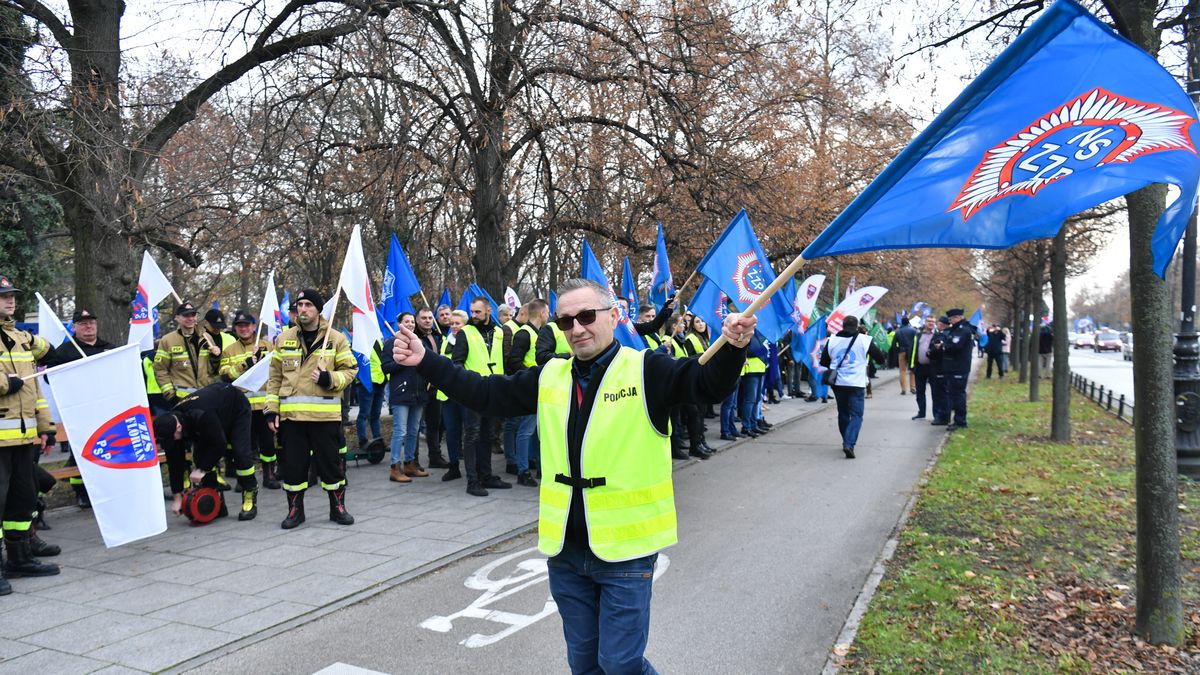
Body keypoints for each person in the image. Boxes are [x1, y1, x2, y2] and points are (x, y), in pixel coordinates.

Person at [391, 277, 754, 674]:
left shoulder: (646, 369)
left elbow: (705, 384)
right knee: (583, 665)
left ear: (613, 317)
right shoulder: (551, 375)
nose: (576, 328)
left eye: (586, 316)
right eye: (566, 321)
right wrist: (426, 360)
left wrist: (734, 347)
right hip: (565, 551)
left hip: (625, 553)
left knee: (620, 665)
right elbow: (484, 392)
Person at [265, 289, 359, 529]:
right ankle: (296, 511)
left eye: (308, 305)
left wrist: (329, 379)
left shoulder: (335, 338)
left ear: (318, 310)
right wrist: (271, 410)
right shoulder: (284, 338)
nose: (303, 309)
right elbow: (274, 378)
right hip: (291, 419)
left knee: (331, 466)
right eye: (300, 305)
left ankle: (338, 508)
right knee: (294, 467)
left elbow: (351, 370)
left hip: (325, 417)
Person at [0, 276, 60, 590]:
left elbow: (35, 390)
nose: (10, 300)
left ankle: (19, 559)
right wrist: (8, 383)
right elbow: (9, 383)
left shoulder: (21, 339)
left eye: (11, 295)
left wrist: (46, 427)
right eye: (3, 296)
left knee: (22, 502)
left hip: (24, 438)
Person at [153, 382, 261, 521]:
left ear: (178, 427)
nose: (172, 441)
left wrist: (202, 469)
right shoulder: (172, 424)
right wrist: (177, 497)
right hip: (214, 414)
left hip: (236, 408)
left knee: (240, 452)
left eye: (172, 438)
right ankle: (215, 501)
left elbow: (219, 444)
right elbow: (175, 463)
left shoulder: (200, 414)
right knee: (200, 457)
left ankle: (249, 493)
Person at [44, 308, 116, 508]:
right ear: (74, 327)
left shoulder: (109, 348)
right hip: (80, 411)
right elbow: (50, 377)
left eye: (91, 322)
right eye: (83, 323)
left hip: (106, 410)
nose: (88, 326)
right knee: (82, 452)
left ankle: (107, 489)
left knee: (106, 450)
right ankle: (81, 492)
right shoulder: (65, 351)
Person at [452, 298, 513, 496]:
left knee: (488, 434)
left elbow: (503, 360)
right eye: (472, 311)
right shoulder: (465, 332)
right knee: (472, 434)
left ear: (488, 311)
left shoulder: (498, 332)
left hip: (493, 389)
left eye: (478, 312)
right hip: (473, 391)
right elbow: (457, 363)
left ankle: (486, 475)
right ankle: (472, 480)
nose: (474, 315)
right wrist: (466, 385)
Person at [219, 310, 280, 489]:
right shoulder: (229, 351)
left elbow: (277, 371)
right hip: (241, 408)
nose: (244, 329)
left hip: (264, 405)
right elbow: (224, 375)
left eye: (247, 325)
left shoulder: (268, 346)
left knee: (268, 444)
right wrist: (245, 364)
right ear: (235, 329)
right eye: (240, 326)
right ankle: (244, 479)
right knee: (243, 446)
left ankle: (269, 476)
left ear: (254, 326)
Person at [820, 315, 884, 458]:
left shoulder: (832, 340)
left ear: (842, 326)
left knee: (843, 413)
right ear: (856, 326)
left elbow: (824, 362)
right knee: (857, 415)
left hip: (838, 383)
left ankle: (846, 440)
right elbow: (880, 358)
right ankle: (849, 443)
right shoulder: (864, 340)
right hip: (856, 383)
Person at [381, 312, 428, 483]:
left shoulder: (419, 342)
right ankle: (395, 466)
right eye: (406, 321)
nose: (410, 324)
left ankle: (410, 464)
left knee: (413, 431)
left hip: (418, 393)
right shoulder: (391, 343)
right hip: (401, 393)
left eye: (412, 322)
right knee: (400, 431)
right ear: (399, 324)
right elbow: (385, 367)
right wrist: (403, 360)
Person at [508, 299, 547, 487]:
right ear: (541, 314)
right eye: (546, 312)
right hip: (530, 387)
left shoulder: (536, 333)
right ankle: (522, 471)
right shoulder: (525, 334)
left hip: (538, 386)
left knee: (536, 431)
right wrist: (531, 376)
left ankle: (538, 467)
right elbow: (514, 361)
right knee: (526, 431)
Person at [154, 301, 219, 402]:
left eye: (193, 315)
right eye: (185, 315)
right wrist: (170, 395)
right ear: (177, 318)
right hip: (182, 400)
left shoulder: (207, 338)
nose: (190, 318)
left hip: (207, 397)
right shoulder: (167, 340)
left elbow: (214, 371)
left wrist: (216, 358)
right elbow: (160, 370)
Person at [415, 308, 450, 469]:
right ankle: (412, 460)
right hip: (419, 387)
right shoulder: (414, 337)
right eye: (424, 318)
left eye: (430, 317)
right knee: (414, 426)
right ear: (417, 320)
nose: (428, 320)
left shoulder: (437, 336)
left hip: (436, 387)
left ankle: (435, 456)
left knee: (434, 424)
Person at [438, 310, 469, 481]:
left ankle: (474, 469)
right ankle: (454, 466)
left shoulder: (471, 339)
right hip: (448, 395)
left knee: (470, 432)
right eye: (452, 324)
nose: (454, 327)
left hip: (465, 393)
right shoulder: (445, 342)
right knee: (451, 432)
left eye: (458, 323)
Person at [681, 315, 715, 459]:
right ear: (692, 325)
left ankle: (701, 442)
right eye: (697, 322)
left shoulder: (704, 338)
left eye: (702, 321)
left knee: (701, 414)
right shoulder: (690, 338)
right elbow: (689, 358)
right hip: (692, 382)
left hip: (702, 380)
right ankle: (695, 445)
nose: (701, 324)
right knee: (694, 415)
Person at [942, 309, 975, 429]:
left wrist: (944, 347)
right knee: (954, 393)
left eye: (951, 319)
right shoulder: (957, 329)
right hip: (955, 366)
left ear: (957, 317)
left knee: (958, 394)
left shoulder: (962, 330)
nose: (950, 322)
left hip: (959, 366)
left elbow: (955, 345)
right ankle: (958, 419)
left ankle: (960, 420)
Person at [910, 316, 939, 421]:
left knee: (935, 392)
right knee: (920, 392)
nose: (931, 323)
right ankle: (921, 413)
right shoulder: (918, 335)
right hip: (920, 367)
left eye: (933, 321)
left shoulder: (937, 335)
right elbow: (913, 349)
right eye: (929, 321)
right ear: (925, 322)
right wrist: (912, 364)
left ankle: (936, 415)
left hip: (933, 368)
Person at [927, 316, 952, 426]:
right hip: (937, 367)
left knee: (941, 394)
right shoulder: (939, 334)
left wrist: (931, 352)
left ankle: (942, 416)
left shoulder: (944, 335)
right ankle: (940, 415)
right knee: (939, 393)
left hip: (940, 367)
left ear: (942, 324)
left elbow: (937, 351)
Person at [894, 318, 918, 394]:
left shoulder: (898, 331)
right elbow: (917, 341)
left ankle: (903, 389)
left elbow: (894, 344)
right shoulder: (913, 330)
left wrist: (898, 350)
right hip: (912, 352)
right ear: (908, 322)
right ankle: (913, 387)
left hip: (902, 351)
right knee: (912, 370)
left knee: (902, 371)